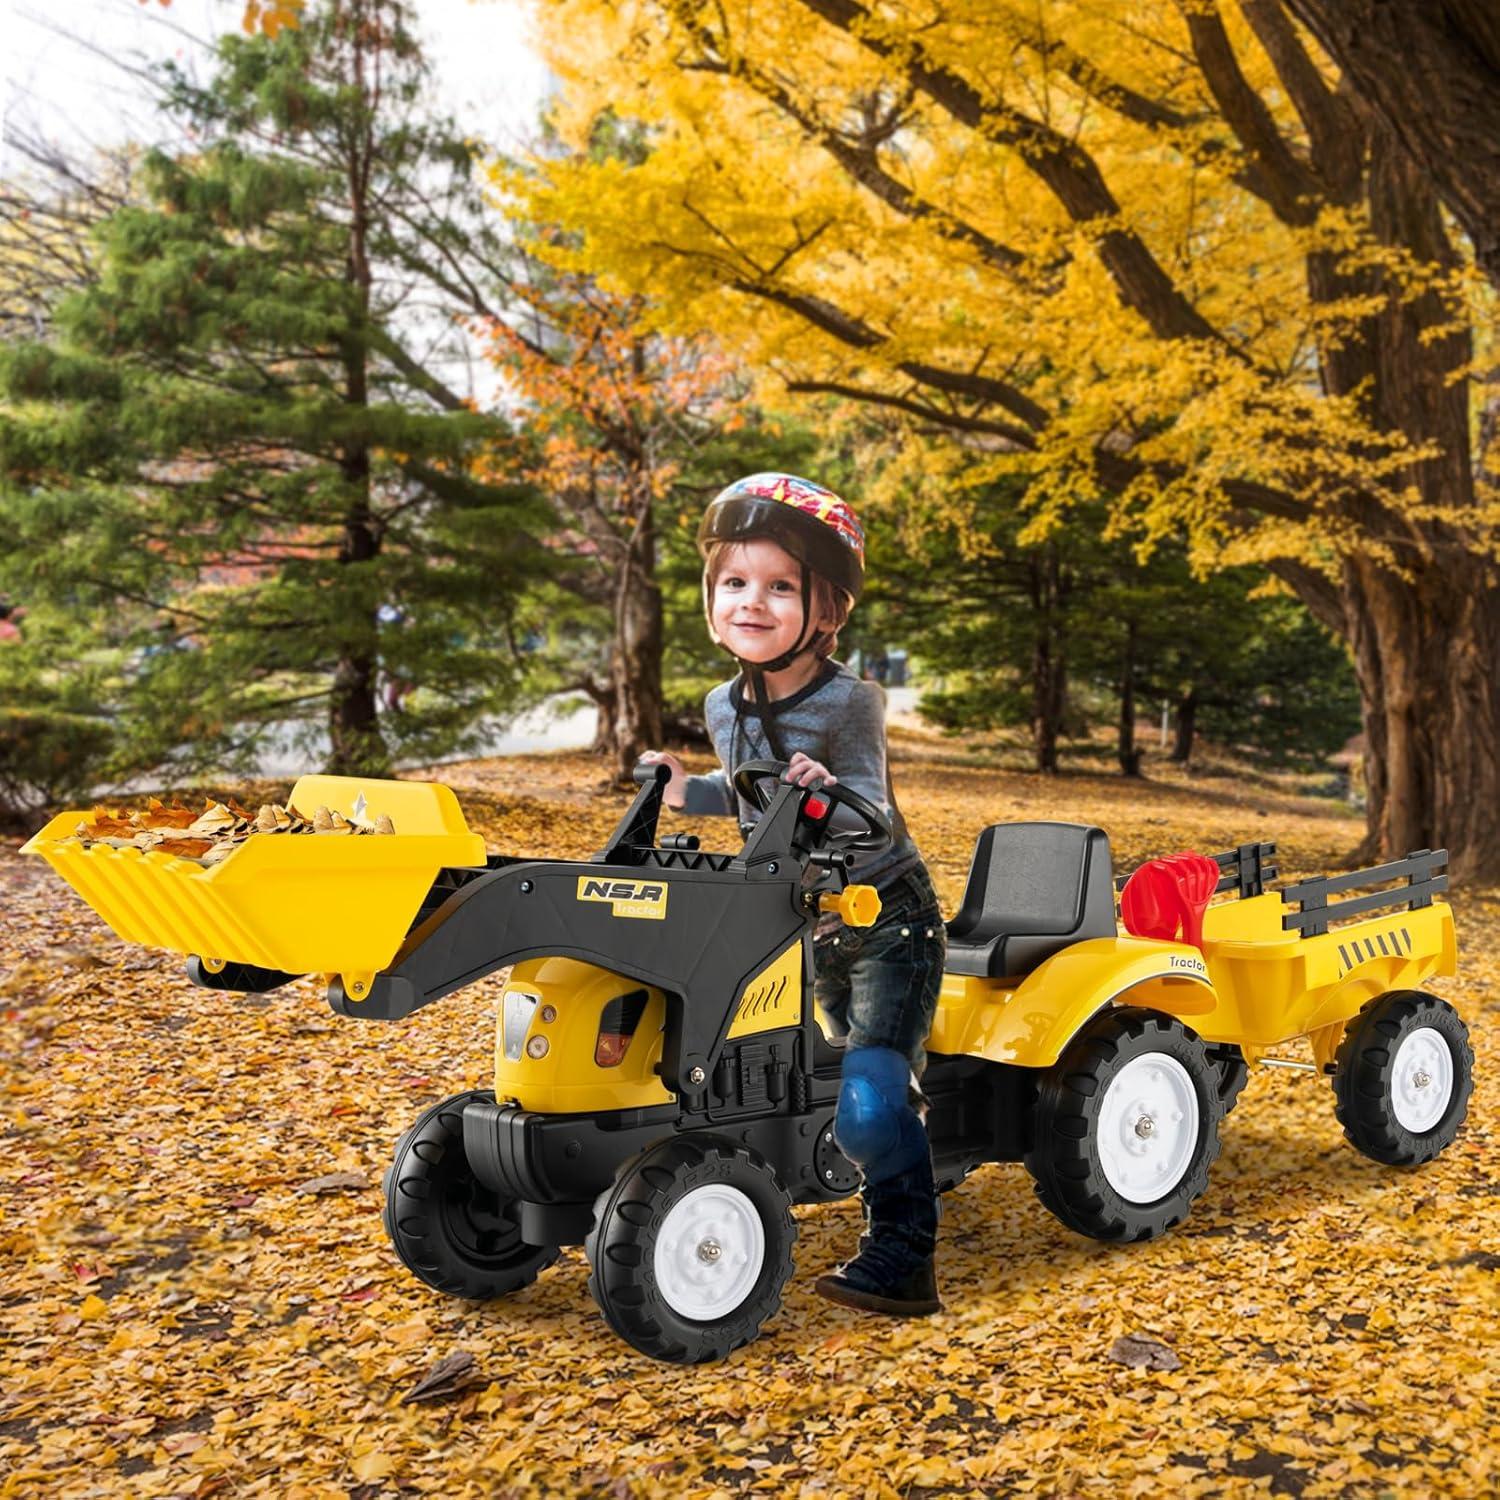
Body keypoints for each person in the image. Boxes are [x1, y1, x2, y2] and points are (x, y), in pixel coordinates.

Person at [643, 472, 947, 1317]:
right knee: (778, 1072)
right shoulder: (721, 703)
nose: (751, 602)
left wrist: (825, 791)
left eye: (780, 586)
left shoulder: (852, 702)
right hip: (795, 920)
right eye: (735, 582)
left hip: (888, 921)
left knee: (871, 1095)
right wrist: (684, 790)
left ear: (828, 610)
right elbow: (742, 794)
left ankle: (903, 1258)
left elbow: (874, 814)